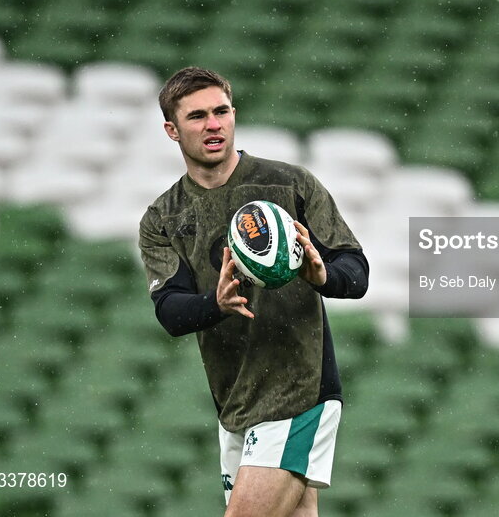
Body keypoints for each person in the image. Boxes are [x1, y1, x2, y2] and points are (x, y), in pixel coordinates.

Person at [138, 67, 368, 517]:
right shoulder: (162, 218)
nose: (213, 124)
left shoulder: (290, 185)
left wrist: (323, 277)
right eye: (198, 116)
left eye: (221, 111)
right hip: (236, 401)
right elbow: (169, 310)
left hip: (298, 392)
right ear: (172, 129)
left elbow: (356, 271)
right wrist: (215, 304)